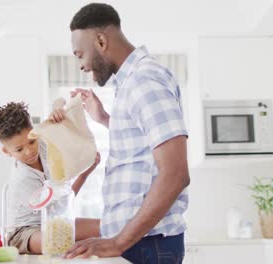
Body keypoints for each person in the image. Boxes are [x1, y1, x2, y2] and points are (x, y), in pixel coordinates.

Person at [55, 3, 190, 263]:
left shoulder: (143, 81)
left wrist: (118, 242)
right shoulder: (131, 84)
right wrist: (106, 119)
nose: (81, 65)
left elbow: (175, 175)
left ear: (102, 41)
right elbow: (143, 145)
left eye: (80, 54)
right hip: (141, 242)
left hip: (147, 245)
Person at [0, 101, 101, 254]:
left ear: (35, 132)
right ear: (7, 151)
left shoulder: (45, 144)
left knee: (104, 226)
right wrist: (84, 175)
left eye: (31, 142)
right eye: (19, 149)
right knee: (57, 242)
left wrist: (57, 111)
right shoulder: (22, 178)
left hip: (54, 223)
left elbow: (60, 103)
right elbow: (61, 207)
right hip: (25, 232)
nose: (29, 151)